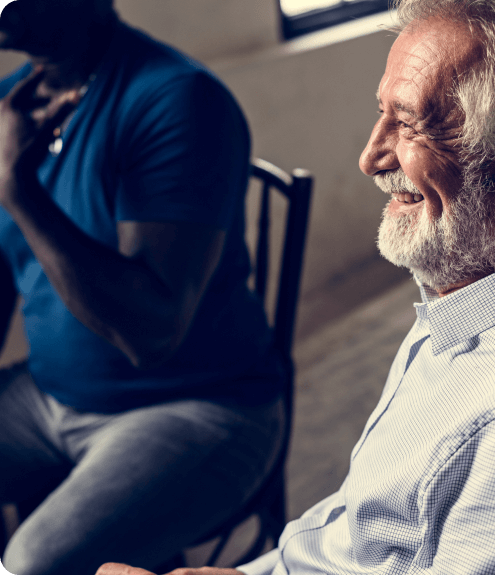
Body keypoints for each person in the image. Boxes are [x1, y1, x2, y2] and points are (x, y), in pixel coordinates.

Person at [98, 0, 495, 574]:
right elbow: (356, 529)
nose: (370, 157)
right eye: (381, 114)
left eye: (414, 122)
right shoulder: (458, 307)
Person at [0, 1, 286, 575]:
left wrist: (17, 188)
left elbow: (151, 332)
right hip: (49, 395)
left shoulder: (178, 100)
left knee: (34, 562)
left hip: (199, 407)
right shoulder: (14, 102)